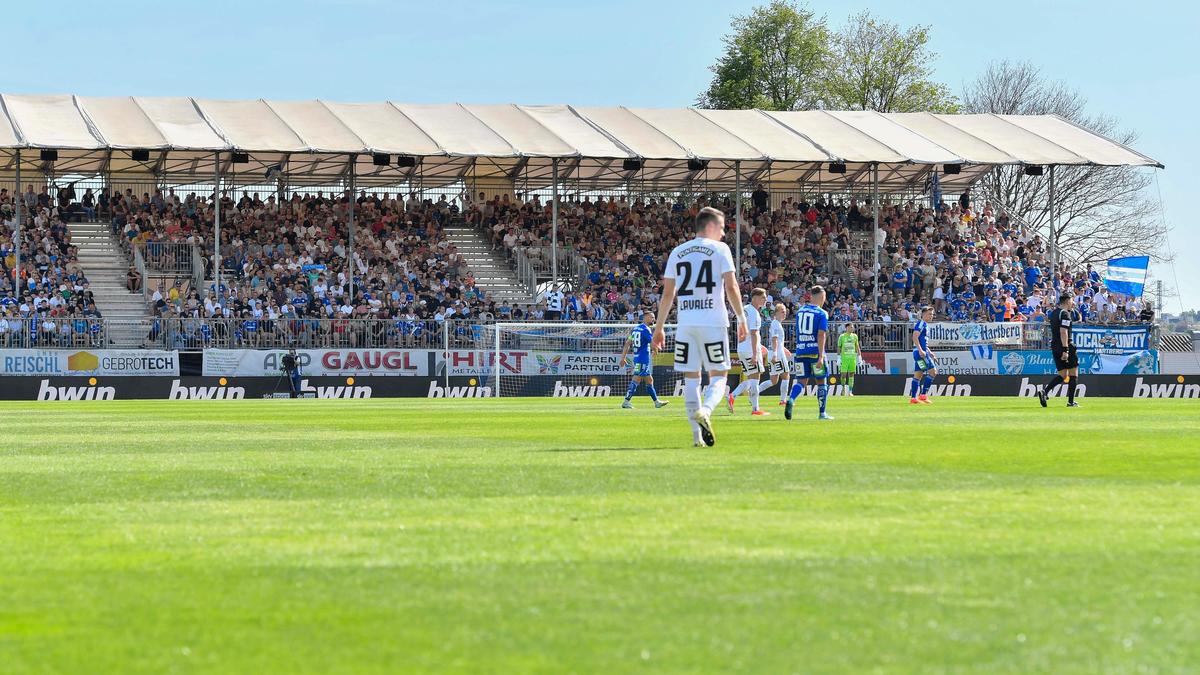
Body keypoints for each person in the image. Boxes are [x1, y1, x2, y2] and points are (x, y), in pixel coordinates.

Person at [652, 207, 747, 447]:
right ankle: (706, 410)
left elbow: (667, 295)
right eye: (723, 228)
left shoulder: (677, 252)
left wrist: (659, 327)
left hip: (685, 324)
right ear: (712, 227)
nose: (724, 234)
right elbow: (732, 287)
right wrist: (742, 318)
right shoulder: (720, 249)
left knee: (691, 379)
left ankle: (697, 439)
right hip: (713, 323)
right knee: (719, 376)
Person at [785, 285, 832, 421]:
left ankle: (791, 399)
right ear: (822, 297)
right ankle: (822, 413)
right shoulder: (822, 313)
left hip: (800, 351)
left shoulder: (800, 311)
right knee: (821, 382)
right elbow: (821, 334)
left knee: (801, 382)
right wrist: (821, 356)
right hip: (814, 352)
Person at [727, 287, 769, 416]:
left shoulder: (744, 310)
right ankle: (755, 409)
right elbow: (754, 333)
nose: (765, 299)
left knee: (751, 378)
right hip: (751, 349)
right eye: (763, 297)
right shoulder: (754, 313)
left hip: (742, 348)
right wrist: (756, 354)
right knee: (755, 378)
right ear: (755, 297)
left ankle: (732, 396)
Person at [618, 311, 668, 410]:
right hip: (643, 358)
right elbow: (652, 343)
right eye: (651, 317)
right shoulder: (646, 329)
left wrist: (623, 358)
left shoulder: (635, 329)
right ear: (645, 317)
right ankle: (626, 401)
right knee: (636, 379)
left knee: (649, 380)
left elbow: (627, 343)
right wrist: (657, 350)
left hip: (638, 358)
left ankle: (656, 402)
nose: (653, 319)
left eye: (654, 317)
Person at [1038, 294, 1081, 408]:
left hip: (1055, 346)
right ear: (1067, 301)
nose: (1073, 303)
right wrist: (1066, 349)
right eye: (1072, 301)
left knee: (1062, 375)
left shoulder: (1054, 313)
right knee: (1073, 374)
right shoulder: (1065, 313)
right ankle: (1071, 402)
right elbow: (1063, 332)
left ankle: (1045, 392)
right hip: (1065, 346)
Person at [760, 303, 791, 406]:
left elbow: (777, 341)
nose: (784, 314)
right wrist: (775, 354)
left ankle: (753, 392)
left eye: (785, 312)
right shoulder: (776, 323)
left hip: (773, 352)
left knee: (773, 380)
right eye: (782, 312)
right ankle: (783, 400)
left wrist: (784, 349)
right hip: (777, 353)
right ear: (776, 312)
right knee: (786, 376)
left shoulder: (776, 323)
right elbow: (774, 339)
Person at [910, 306, 937, 404]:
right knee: (933, 372)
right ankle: (923, 395)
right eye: (930, 314)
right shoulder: (921, 323)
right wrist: (921, 350)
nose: (931, 316)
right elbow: (914, 337)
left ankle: (913, 398)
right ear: (924, 314)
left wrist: (930, 352)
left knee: (918, 374)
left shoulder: (925, 325)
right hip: (920, 353)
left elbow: (922, 341)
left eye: (932, 314)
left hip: (920, 352)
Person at [837, 323, 861, 396]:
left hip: (852, 358)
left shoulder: (855, 336)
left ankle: (850, 391)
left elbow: (857, 346)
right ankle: (843, 389)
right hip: (844, 358)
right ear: (846, 328)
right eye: (851, 327)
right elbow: (839, 347)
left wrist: (860, 357)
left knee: (851, 375)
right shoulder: (842, 336)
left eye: (852, 327)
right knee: (843, 375)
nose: (852, 328)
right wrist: (838, 357)